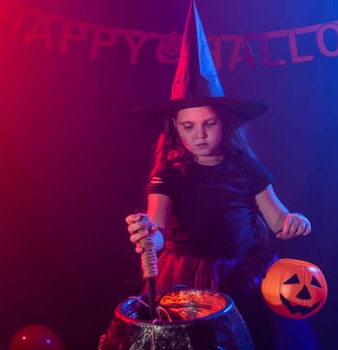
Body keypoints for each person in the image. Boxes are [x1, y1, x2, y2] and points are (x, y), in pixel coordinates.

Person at [124, 1, 320, 349]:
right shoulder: (169, 174)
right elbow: (157, 229)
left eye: (208, 124)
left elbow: (278, 219)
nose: (199, 134)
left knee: (249, 339)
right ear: (175, 130)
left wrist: (295, 221)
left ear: (223, 124)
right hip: (187, 280)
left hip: (244, 274)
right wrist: (146, 236)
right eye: (189, 126)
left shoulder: (245, 166)